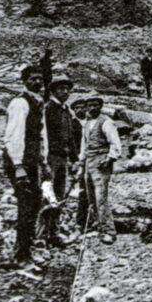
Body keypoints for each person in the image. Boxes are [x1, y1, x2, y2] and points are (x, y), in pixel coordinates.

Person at [3, 65, 48, 265]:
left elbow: (40, 136)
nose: (37, 82)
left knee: (35, 201)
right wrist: (18, 166)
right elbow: (14, 135)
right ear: (24, 81)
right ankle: (21, 254)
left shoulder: (37, 102)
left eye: (40, 79)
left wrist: (43, 162)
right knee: (26, 205)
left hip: (31, 161)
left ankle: (26, 247)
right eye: (33, 79)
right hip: (18, 161)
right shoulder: (20, 103)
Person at [75, 95, 121, 245]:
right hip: (89, 161)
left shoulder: (107, 122)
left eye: (95, 105)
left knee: (101, 197)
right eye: (89, 105)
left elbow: (115, 144)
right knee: (91, 197)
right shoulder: (87, 123)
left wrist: (109, 158)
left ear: (100, 106)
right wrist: (81, 162)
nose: (92, 108)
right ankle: (98, 225)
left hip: (101, 162)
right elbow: (84, 144)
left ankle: (108, 231)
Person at [42, 73, 76, 246]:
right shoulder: (48, 109)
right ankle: (42, 234)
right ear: (53, 91)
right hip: (51, 158)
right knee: (48, 196)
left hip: (63, 158)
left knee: (60, 194)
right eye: (60, 89)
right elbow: (43, 135)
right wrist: (44, 160)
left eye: (66, 89)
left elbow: (70, 137)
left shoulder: (66, 110)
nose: (64, 92)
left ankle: (53, 232)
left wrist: (74, 158)